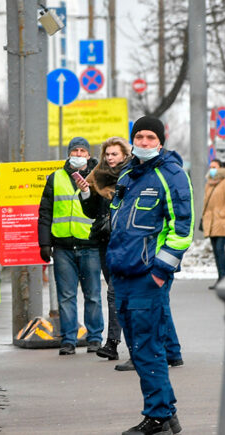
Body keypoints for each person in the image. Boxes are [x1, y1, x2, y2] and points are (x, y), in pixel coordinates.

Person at [106, 116, 193, 435]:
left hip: (147, 277)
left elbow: (183, 230)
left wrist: (160, 271)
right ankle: (167, 415)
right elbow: (118, 223)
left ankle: (157, 417)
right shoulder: (129, 174)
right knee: (140, 347)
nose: (143, 142)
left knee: (147, 347)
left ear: (161, 141)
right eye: (138, 136)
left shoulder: (172, 175)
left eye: (150, 137)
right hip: (123, 275)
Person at [38, 137, 104, 356]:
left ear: (88, 154)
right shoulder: (55, 178)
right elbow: (45, 212)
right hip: (63, 246)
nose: (78, 154)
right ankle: (68, 340)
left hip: (90, 245)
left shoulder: (98, 177)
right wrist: (45, 243)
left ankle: (95, 338)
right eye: (74, 150)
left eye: (82, 150)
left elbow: (102, 209)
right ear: (68, 153)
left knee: (92, 294)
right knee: (66, 296)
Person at [76, 136, 131, 362]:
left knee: (115, 293)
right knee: (117, 293)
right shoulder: (97, 175)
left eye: (114, 154)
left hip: (128, 241)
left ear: (124, 155)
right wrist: (86, 193)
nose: (110, 158)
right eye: (107, 154)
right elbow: (91, 213)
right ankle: (117, 343)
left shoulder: (132, 175)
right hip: (104, 239)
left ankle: (113, 343)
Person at [202, 159, 225, 289]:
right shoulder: (209, 183)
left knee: (220, 250)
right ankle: (220, 278)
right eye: (210, 167)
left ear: (221, 168)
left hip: (222, 223)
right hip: (211, 223)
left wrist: (222, 213)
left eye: (214, 167)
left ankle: (224, 278)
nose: (212, 169)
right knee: (216, 252)